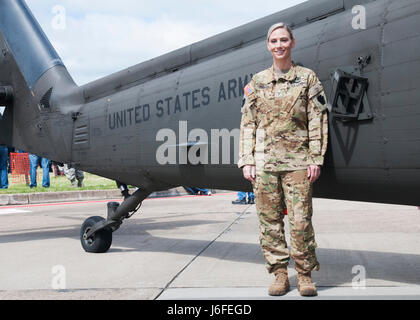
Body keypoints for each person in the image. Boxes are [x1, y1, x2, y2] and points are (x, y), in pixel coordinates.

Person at [238, 23, 328, 297]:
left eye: (284, 40)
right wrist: (247, 159)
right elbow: (248, 122)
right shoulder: (258, 82)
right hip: (264, 164)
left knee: (301, 222)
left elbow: (317, 118)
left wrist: (316, 157)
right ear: (268, 45)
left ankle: (304, 275)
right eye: (274, 41)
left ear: (292, 43)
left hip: (299, 163)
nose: (279, 45)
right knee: (269, 222)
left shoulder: (307, 78)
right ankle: (279, 274)